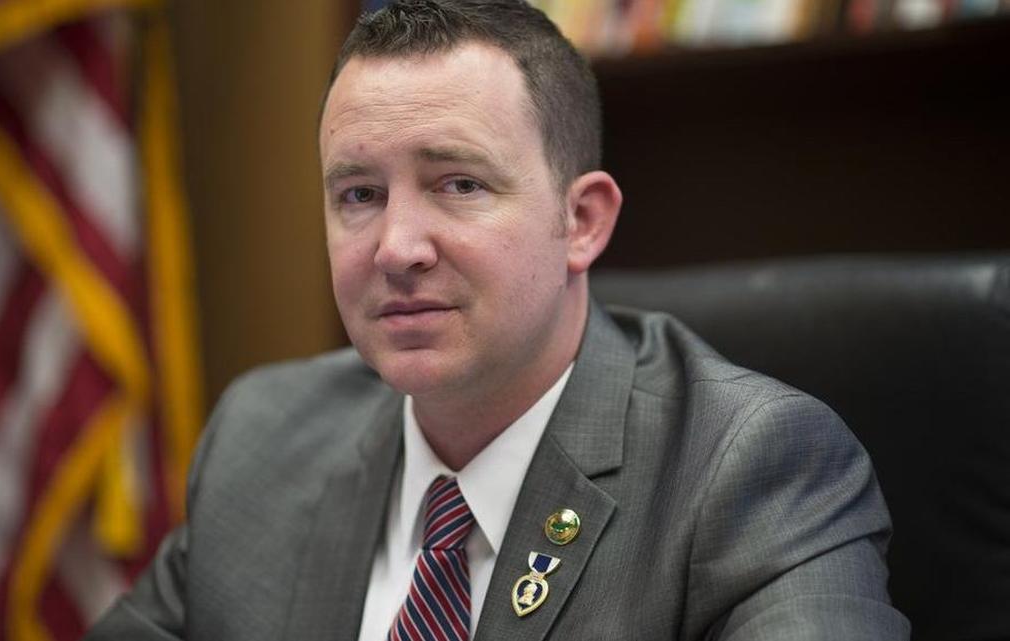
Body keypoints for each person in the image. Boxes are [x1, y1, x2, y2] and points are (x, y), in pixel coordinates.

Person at [87, 1, 910, 639]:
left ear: (581, 220)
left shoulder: (751, 469)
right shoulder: (264, 438)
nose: (396, 248)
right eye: (360, 194)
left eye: (459, 184)